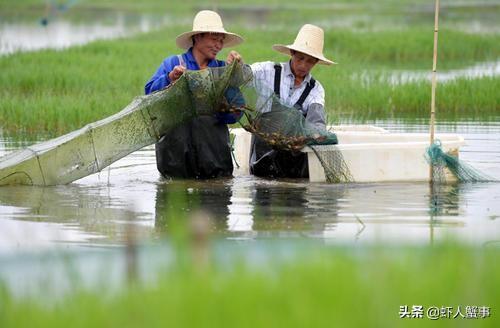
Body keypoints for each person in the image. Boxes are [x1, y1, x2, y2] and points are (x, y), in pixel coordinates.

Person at [145, 10, 244, 179]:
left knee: (215, 202)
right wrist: (170, 78)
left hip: (215, 161)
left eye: (221, 41)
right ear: (197, 37)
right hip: (175, 161)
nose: (218, 46)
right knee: (175, 199)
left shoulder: (222, 70)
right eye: (214, 39)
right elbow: (149, 94)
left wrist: (224, 110)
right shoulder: (174, 63)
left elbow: (238, 110)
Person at [249, 24, 335, 178]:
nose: (303, 65)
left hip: (292, 159)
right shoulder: (266, 71)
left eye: (309, 61)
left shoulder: (315, 89)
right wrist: (236, 63)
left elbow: (316, 120)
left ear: (315, 62)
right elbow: (243, 74)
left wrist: (315, 134)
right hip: (261, 157)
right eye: (300, 58)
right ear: (292, 53)